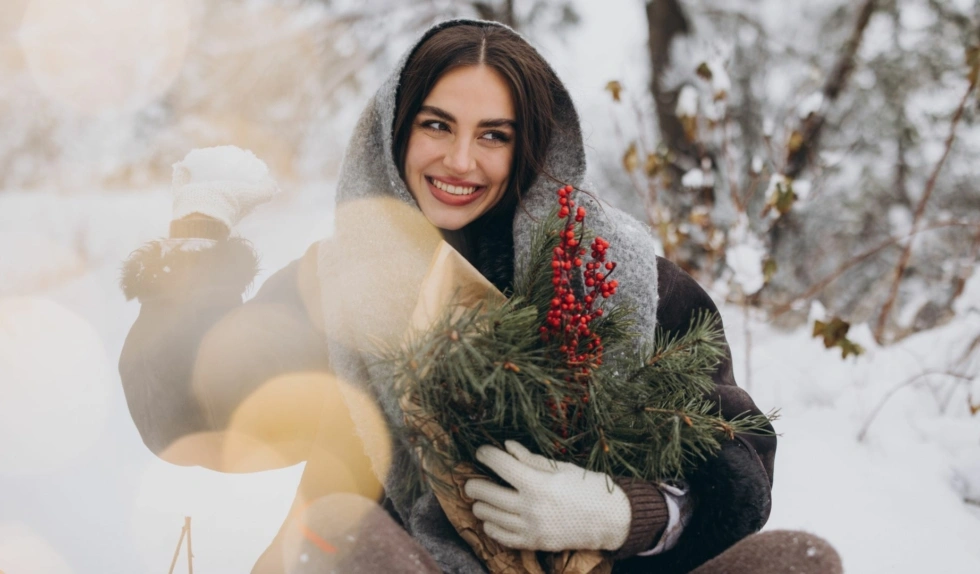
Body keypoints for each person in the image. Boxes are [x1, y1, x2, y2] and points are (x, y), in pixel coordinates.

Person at [119, 19, 841, 574]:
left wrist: (622, 514)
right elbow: (188, 414)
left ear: (533, 146)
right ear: (393, 132)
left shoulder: (620, 278)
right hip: (398, 565)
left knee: (800, 558)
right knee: (346, 532)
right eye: (437, 125)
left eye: (493, 135)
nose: (460, 161)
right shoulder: (336, 284)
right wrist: (198, 236)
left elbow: (738, 465)